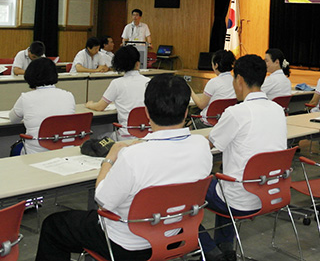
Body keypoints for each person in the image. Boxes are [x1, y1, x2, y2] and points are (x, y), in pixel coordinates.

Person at [35, 74, 212, 261]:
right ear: (186, 112)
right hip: (177, 235)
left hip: (127, 245)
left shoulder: (133, 156)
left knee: (53, 225)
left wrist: (109, 159)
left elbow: (103, 201)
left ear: (147, 112)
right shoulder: (201, 146)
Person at [199, 54, 287, 261]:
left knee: (189, 188)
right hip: (272, 191)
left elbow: (209, 145)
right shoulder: (277, 110)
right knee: (223, 180)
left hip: (240, 197)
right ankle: (225, 246)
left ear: (239, 80)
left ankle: (210, 250)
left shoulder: (237, 112)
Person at [9, 57, 76, 154]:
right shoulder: (69, 95)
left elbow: (13, 119)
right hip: (65, 151)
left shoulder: (26, 98)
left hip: (36, 152)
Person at [85, 46, 149, 139]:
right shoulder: (149, 82)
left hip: (126, 136)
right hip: (146, 135)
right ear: (138, 64)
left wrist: (89, 105)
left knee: (96, 137)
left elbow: (100, 107)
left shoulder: (117, 83)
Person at [191, 50, 236, 126]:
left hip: (208, 122)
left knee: (190, 122)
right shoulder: (236, 81)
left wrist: (190, 91)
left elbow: (201, 105)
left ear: (216, 65)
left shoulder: (213, 82)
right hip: (226, 122)